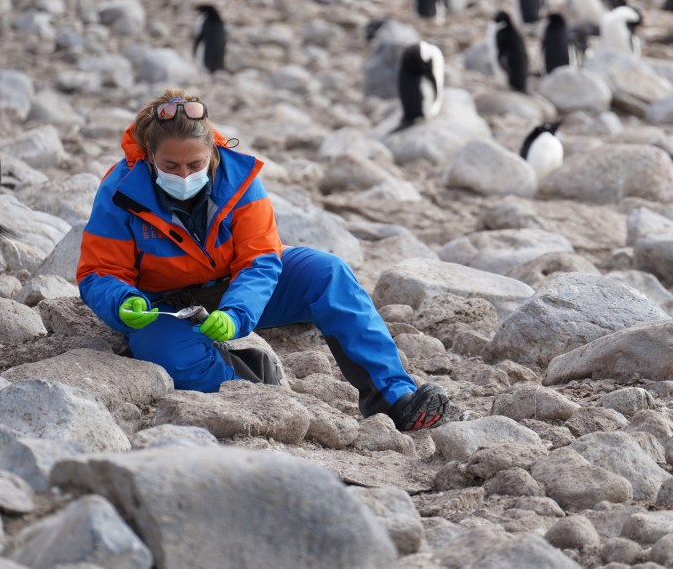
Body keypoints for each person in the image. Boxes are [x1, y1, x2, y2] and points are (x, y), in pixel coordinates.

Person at [76, 88, 448, 431]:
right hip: (161, 305)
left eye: (195, 164)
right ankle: (253, 387)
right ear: (150, 157)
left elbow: (261, 260)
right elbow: (99, 272)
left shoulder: (240, 179)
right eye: (170, 166)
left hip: (233, 287)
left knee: (328, 274)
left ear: (212, 153)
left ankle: (394, 397)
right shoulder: (120, 191)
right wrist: (122, 302)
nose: (184, 174)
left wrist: (237, 314)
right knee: (167, 353)